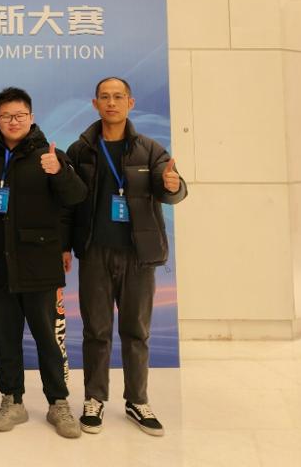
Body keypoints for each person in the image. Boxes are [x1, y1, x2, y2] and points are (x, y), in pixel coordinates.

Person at [66, 77, 187, 437]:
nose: (111, 102)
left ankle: (137, 400)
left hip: (138, 256)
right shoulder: (80, 150)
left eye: (118, 97)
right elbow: (68, 203)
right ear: (95, 104)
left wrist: (174, 186)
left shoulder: (149, 149)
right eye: (105, 97)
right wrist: (64, 247)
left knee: (136, 331)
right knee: (96, 331)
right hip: (95, 254)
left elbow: (172, 189)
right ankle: (94, 399)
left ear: (130, 103)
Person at [0, 87, 86, 439]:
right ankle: (12, 399)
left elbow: (76, 198)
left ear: (31, 117)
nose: (13, 122)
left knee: (48, 339)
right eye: (6, 116)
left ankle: (58, 402)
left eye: (19, 115)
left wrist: (59, 172)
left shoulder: (52, 156)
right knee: (5, 337)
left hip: (40, 263)